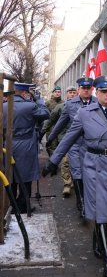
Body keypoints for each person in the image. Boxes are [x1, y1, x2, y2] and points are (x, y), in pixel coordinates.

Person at [42, 76, 107, 277]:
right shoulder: (84, 114)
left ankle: (98, 235)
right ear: (97, 92)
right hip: (93, 165)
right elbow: (69, 138)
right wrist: (53, 161)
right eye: (103, 91)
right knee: (102, 209)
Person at [46, 77, 97, 217]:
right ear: (79, 89)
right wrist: (50, 138)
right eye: (83, 88)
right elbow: (61, 123)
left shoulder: (97, 102)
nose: (86, 91)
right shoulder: (70, 105)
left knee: (90, 172)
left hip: (92, 145)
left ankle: (88, 199)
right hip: (75, 144)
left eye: (88, 88)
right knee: (77, 172)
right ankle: (81, 202)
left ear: (91, 89)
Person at [3, 82, 50, 213]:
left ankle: (11, 205)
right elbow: (46, 113)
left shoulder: (4, 106)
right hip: (26, 145)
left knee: (10, 176)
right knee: (26, 177)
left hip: (8, 145)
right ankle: (23, 205)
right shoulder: (31, 106)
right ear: (24, 93)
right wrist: (39, 100)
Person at [42, 85, 78, 197]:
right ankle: (67, 184)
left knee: (77, 164)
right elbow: (50, 120)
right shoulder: (61, 106)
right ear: (67, 94)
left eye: (74, 92)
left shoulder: (82, 107)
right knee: (65, 162)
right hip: (64, 139)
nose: (72, 94)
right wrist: (42, 133)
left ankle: (76, 182)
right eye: (70, 93)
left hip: (79, 141)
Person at [44, 86, 63, 155]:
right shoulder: (48, 103)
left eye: (59, 92)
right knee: (51, 146)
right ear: (53, 93)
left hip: (61, 128)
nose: (57, 93)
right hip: (51, 128)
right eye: (56, 92)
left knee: (60, 146)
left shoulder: (63, 103)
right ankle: (52, 161)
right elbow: (45, 116)